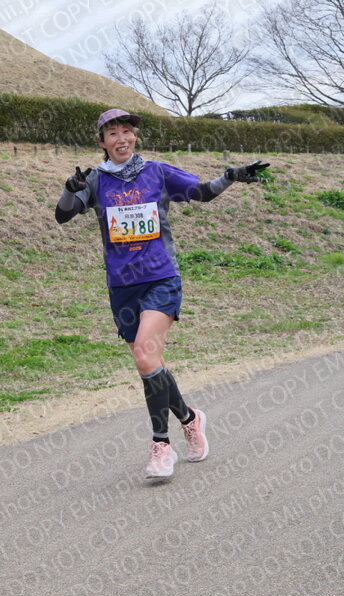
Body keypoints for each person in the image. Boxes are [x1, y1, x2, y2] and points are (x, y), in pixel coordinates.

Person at [55, 108, 269, 478]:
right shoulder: (95, 180)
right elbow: (63, 215)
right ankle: (189, 418)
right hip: (122, 287)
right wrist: (69, 189)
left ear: (134, 136)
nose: (121, 139)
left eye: (126, 131)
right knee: (150, 362)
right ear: (101, 141)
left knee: (144, 356)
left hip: (161, 278)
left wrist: (231, 176)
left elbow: (202, 192)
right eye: (112, 134)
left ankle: (161, 445)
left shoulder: (157, 171)